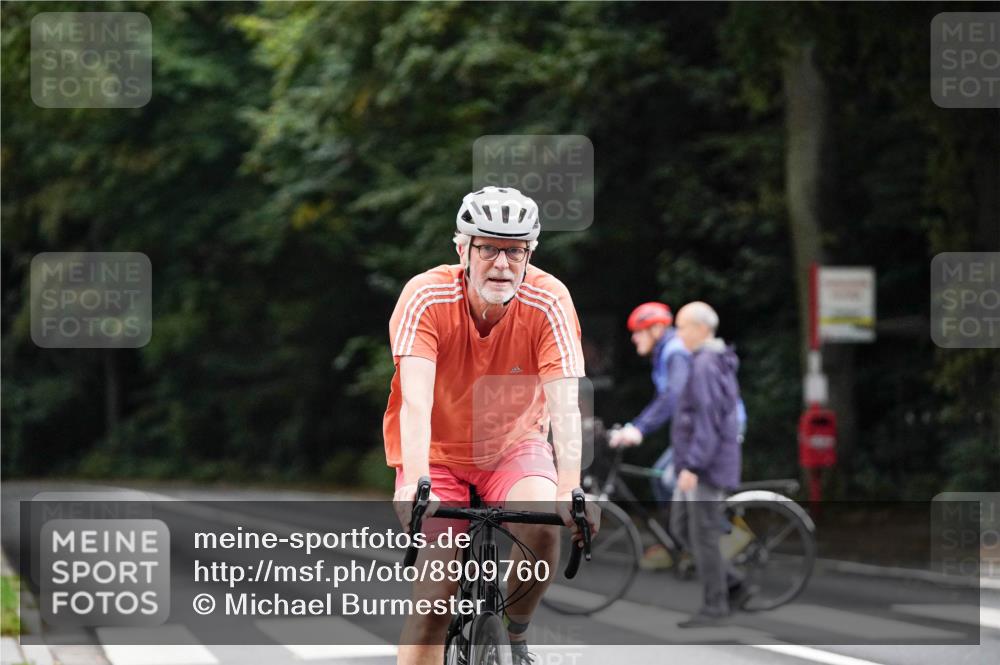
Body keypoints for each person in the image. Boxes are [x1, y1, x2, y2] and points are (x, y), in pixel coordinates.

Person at [384, 186, 599, 665]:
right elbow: (415, 402)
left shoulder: (549, 300)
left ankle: (515, 636)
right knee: (433, 603)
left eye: (515, 251)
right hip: (437, 456)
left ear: (530, 255)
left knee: (544, 526)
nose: (502, 264)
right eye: (488, 249)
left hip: (513, 447)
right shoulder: (426, 296)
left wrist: (570, 486)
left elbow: (565, 403)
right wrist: (415, 481)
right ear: (462, 249)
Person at [669, 301, 754, 627]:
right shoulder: (706, 360)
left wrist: (693, 465)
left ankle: (715, 605)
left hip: (706, 465)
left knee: (702, 534)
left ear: (702, 329)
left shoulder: (705, 364)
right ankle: (733, 583)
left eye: (683, 327)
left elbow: (708, 419)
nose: (678, 334)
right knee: (681, 527)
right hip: (700, 462)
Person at [608, 302, 691, 568]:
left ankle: (721, 534)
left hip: (710, 429)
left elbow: (673, 396)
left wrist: (639, 429)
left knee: (674, 480)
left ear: (657, 329)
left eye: (639, 331)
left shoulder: (675, 351)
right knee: (660, 477)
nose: (634, 338)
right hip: (693, 430)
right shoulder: (665, 352)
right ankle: (675, 543)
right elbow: (662, 399)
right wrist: (636, 425)